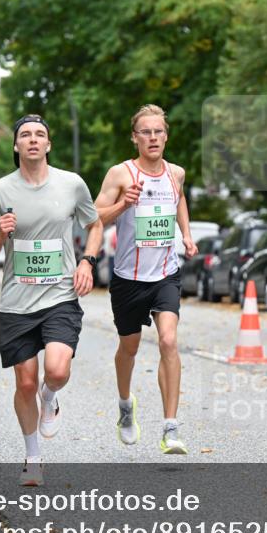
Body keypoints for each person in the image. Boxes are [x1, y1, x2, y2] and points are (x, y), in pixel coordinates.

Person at [0, 114, 102, 487]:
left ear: (48, 144)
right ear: (16, 146)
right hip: (16, 303)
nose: (33, 139)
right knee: (25, 383)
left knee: (57, 372)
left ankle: (51, 397)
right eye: (25, 135)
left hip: (60, 296)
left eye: (40, 134)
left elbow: (94, 224)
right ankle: (33, 459)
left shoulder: (71, 184)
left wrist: (87, 261)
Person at [94, 104, 197, 455]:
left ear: (166, 136)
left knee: (169, 341)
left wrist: (186, 234)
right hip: (128, 278)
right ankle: (125, 404)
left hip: (166, 274)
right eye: (145, 132)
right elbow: (93, 217)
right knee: (129, 348)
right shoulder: (120, 174)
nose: (153, 137)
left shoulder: (176, 173)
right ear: (134, 137)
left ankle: (171, 428)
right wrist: (123, 205)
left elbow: (179, 200)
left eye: (158, 131)